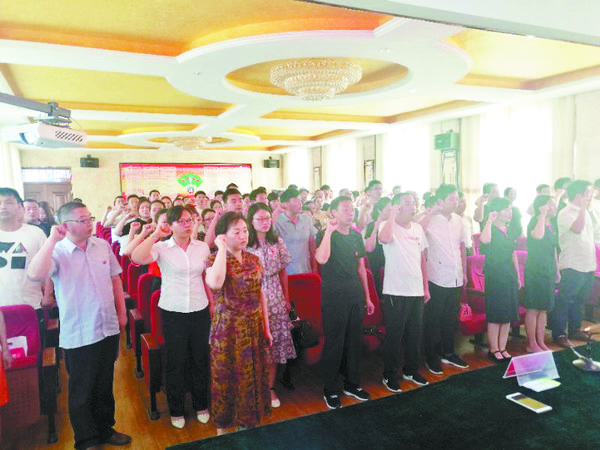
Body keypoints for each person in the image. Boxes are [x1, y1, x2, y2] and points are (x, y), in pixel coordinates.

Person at [27, 201, 130, 450]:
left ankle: (105, 429)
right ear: (65, 224)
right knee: (81, 389)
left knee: (104, 384)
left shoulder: (102, 245)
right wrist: (52, 240)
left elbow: (115, 279)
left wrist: (122, 313)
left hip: (107, 326)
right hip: (80, 331)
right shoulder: (57, 251)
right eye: (82, 220)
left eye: (89, 218)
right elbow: (35, 274)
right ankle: (86, 439)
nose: (89, 223)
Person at [131, 205, 212, 429]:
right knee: (176, 360)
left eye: (189, 220)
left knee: (199, 358)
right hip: (173, 311)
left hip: (199, 309)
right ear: (172, 225)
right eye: (181, 221)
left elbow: (206, 277)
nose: (187, 225)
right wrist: (155, 234)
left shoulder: (202, 247)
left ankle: (201, 404)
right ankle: (176, 409)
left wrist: (212, 306)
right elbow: (136, 256)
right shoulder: (162, 248)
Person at [205, 212, 272, 434]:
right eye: (237, 231)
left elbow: (261, 294)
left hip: (253, 327)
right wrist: (221, 248)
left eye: (245, 230)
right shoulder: (214, 259)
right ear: (223, 235)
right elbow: (215, 283)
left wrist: (266, 327)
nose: (243, 235)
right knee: (226, 380)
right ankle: (223, 433)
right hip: (228, 331)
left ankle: (247, 429)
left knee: (251, 378)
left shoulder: (254, 259)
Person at [315, 196, 374, 409]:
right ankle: (330, 389)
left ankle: (352, 384)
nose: (351, 213)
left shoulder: (356, 236)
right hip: (334, 296)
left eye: (352, 209)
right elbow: (321, 259)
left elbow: (361, 268)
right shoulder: (324, 234)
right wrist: (329, 232)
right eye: (345, 209)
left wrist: (367, 297)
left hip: (355, 294)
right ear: (333, 212)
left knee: (354, 342)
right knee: (335, 343)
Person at [378, 192, 430, 391]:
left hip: (416, 290)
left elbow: (422, 259)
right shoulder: (386, 225)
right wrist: (392, 214)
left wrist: (425, 287)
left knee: (415, 334)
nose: (413, 206)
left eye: (414, 203)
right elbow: (384, 239)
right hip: (395, 291)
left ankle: (411, 370)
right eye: (408, 203)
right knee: (395, 336)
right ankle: (389, 375)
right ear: (397, 206)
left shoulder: (417, 228)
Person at [246, 203, 296, 409]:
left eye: (267, 218)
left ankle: (270, 388)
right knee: (253, 345)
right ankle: (253, 388)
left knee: (272, 346)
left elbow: (283, 270)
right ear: (251, 221)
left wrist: (286, 297)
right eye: (260, 219)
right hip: (252, 296)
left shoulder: (277, 241)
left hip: (275, 294)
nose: (265, 222)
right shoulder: (244, 244)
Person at [421, 184, 469, 374]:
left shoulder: (459, 220)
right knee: (434, 319)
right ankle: (432, 357)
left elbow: (462, 247)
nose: (456, 202)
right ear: (440, 201)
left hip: (455, 275)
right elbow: (416, 229)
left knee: (450, 318)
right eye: (452, 199)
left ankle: (448, 352)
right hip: (436, 276)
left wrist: (464, 272)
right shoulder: (430, 219)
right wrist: (431, 213)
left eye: (457, 198)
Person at [552, 180, 598, 347]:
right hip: (572, 264)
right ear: (578, 195)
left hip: (588, 263)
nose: (590, 196)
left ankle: (575, 329)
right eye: (587, 193)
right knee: (565, 300)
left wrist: (587, 209)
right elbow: (577, 229)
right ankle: (559, 333)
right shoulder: (565, 212)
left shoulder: (586, 212)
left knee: (580, 300)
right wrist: (584, 209)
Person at [0, 188, 48, 335]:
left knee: (35, 348)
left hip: (30, 305)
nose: (3, 206)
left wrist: (48, 294)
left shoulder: (36, 233)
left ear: (19, 207)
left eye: (8, 202)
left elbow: (48, 267)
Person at [479, 197, 521, 362]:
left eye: (510, 209)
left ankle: (503, 347)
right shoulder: (489, 228)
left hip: (509, 274)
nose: (510, 212)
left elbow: (513, 253)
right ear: (496, 211)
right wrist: (489, 220)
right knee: (496, 312)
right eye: (506, 209)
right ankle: (493, 349)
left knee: (507, 312)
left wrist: (517, 275)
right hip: (495, 275)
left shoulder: (510, 230)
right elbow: (484, 241)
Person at [523, 195, 559, 352]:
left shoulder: (552, 224)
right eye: (551, 205)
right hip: (535, 270)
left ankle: (541, 342)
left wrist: (557, 269)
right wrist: (542, 215)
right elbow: (538, 236)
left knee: (544, 308)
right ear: (542, 207)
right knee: (534, 308)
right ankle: (531, 344)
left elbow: (553, 249)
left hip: (548, 269)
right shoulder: (535, 221)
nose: (554, 208)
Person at [274, 188, 317, 275]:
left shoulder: (306, 219)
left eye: (300, 201)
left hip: (305, 270)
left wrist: (315, 268)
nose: (300, 204)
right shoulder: (278, 222)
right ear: (285, 204)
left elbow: (312, 246)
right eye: (296, 201)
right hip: (286, 273)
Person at [364, 197, 391, 298]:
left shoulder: (394, 225)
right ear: (380, 211)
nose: (391, 213)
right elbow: (369, 248)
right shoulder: (372, 225)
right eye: (388, 210)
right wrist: (376, 227)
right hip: (377, 265)